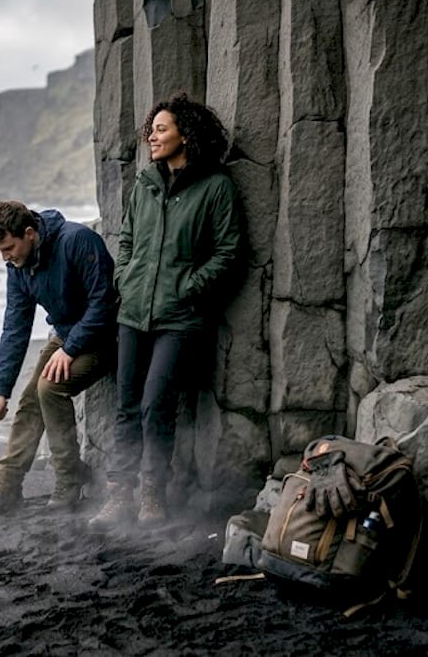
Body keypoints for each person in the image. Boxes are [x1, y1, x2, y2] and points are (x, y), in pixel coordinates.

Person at [89, 93, 245, 529]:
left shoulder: (216, 187)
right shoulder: (146, 183)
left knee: (156, 404)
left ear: (186, 134)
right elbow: (126, 239)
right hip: (133, 312)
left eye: (161, 129)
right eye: (151, 129)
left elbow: (229, 252)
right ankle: (120, 495)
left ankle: (153, 492)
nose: (151, 137)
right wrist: (125, 277)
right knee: (126, 405)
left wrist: (189, 286)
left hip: (179, 317)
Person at [0, 200, 117, 514]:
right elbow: (15, 327)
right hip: (66, 336)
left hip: (107, 335)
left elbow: (104, 302)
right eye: (0, 251)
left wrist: (70, 348)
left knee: (50, 387)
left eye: (9, 248)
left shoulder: (77, 241)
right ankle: (5, 488)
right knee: (28, 400)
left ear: (30, 233)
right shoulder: (18, 266)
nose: (5, 257)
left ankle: (69, 482)